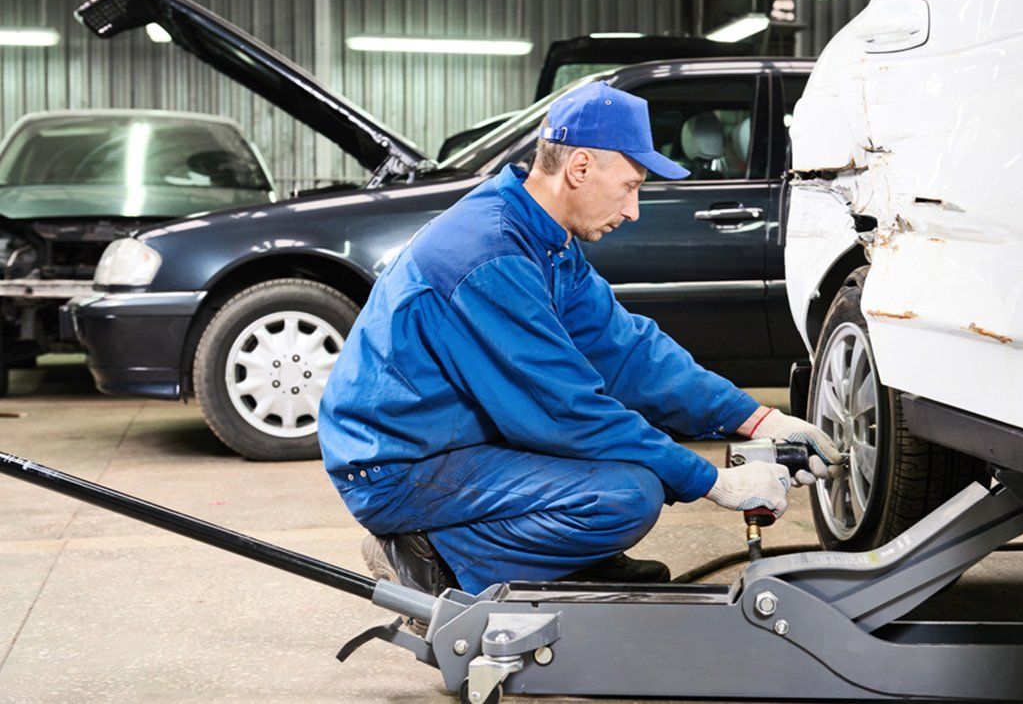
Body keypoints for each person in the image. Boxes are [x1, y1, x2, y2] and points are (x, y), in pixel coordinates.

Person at [318, 81, 841, 601]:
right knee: (626, 496)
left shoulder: (541, 238)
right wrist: (713, 483)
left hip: (450, 437)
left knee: (635, 473)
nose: (633, 210)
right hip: (397, 464)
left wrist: (757, 418)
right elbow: (564, 411)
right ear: (581, 169)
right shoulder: (489, 256)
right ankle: (427, 554)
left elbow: (629, 353)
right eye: (631, 186)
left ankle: (551, 560)